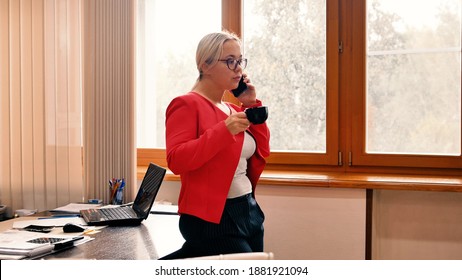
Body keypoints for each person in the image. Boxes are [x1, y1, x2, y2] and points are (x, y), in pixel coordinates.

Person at [159, 31, 270, 259]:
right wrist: (224, 130)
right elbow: (177, 160)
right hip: (212, 219)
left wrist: (250, 104)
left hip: (248, 211)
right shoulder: (186, 104)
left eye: (240, 61)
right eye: (230, 61)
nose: (238, 68)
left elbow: (261, 151)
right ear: (205, 65)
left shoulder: (234, 110)